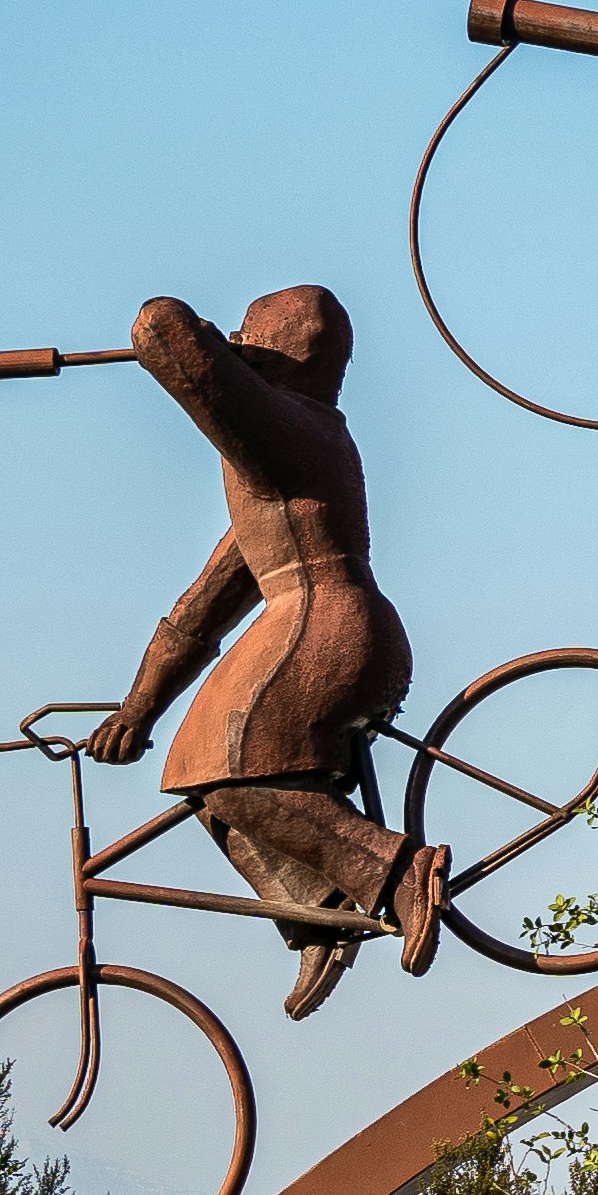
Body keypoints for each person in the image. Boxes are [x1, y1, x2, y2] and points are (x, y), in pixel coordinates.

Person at [87, 286, 442, 1022]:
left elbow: (161, 327)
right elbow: (203, 607)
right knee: (202, 777)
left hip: (321, 629)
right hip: (327, 625)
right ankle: (320, 906)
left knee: (224, 765)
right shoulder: (278, 473)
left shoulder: (291, 430)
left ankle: (396, 867)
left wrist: (218, 348)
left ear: (278, 351)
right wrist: (139, 706)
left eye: (251, 333)